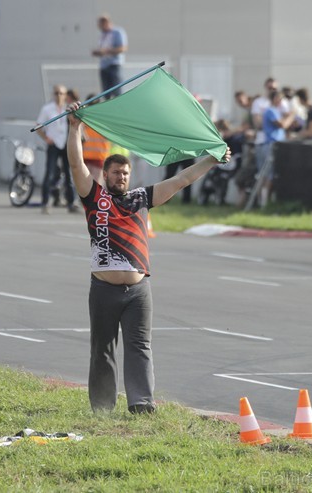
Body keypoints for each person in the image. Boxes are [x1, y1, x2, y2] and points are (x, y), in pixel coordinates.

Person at [65, 101, 230, 414]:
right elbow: (76, 166)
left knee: (140, 346)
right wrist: (75, 129)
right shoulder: (93, 197)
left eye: (126, 173)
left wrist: (211, 160)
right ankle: (102, 407)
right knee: (103, 348)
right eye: (116, 173)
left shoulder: (142, 198)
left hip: (139, 290)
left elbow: (181, 180)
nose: (122, 177)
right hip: (103, 289)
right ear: (105, 174)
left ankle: (142, 403)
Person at [36, 85, 78, 214]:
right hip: (53, 144)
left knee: (69, 174)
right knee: (49, 172)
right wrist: (46, 138)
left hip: (65, 144)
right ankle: (45, 202)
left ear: (65, 95)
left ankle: (71, 202)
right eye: (57, 93)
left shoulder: (68, 109)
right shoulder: (47, 109)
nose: (59, 96)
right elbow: (38, 126)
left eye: (61, 93)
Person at [257, 90, 295, 207]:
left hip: (274, 145)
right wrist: (292, 115)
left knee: (269, 175)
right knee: (268, 175)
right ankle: (263, 202)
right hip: (270, 145)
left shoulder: (277, 111)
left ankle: (264, 200)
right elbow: (282, 124)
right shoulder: (270, 111)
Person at [92, 14, 128, 98]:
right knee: (106, 93)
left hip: (114, 65)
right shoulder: (102, 35)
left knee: (117, 91)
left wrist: (106, 51)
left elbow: (123, 48)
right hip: (104, 66)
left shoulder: (117, 32)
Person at [81, 93, 111, 185]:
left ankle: (89, 200)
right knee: (93, 184)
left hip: (95, 156)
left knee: (89, 184)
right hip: (94, 156)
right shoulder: (102, 118)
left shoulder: (85, 117)